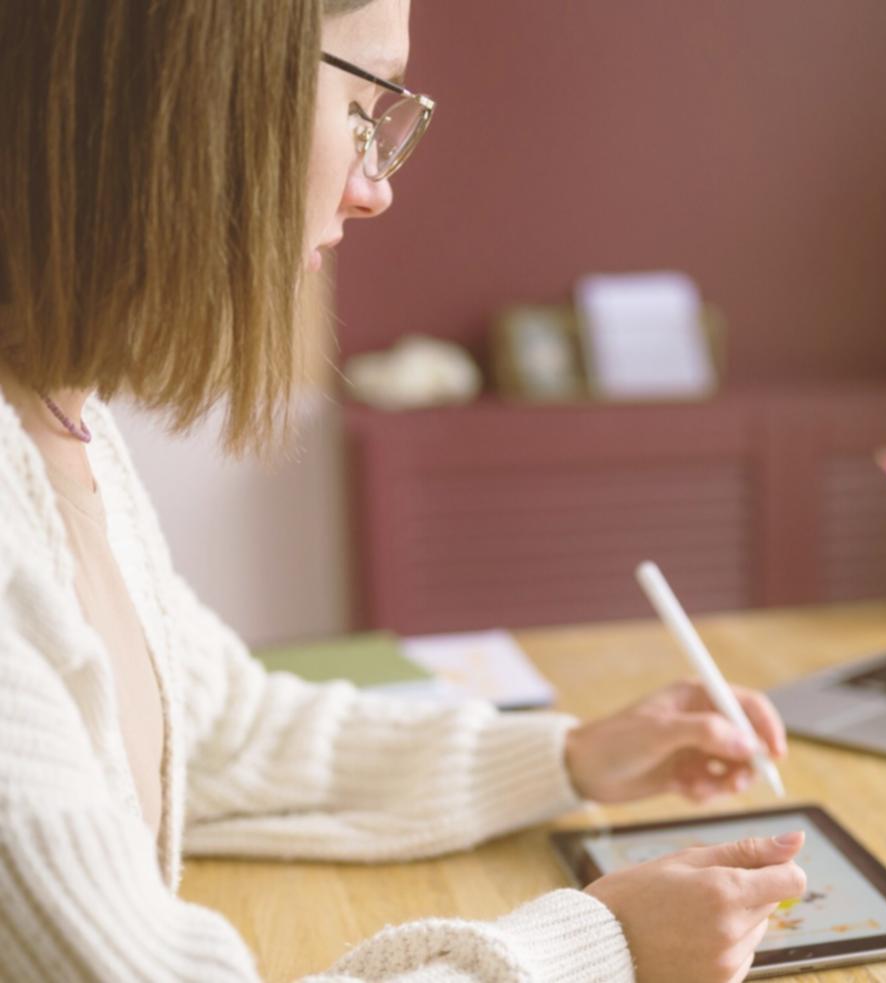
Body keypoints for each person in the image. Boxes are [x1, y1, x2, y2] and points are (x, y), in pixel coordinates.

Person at [0, 1, 806, 979]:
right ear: (199, 88)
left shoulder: (58, 423)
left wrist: (571, 756)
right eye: (359, 106)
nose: (375, 187)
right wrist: (603, 948)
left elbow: (222, 731)